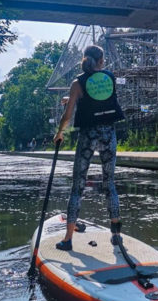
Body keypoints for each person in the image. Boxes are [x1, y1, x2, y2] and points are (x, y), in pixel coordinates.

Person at [53, 45, 126, 251]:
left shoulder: (77, 83)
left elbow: (68, 115)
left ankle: (68, 239)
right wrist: (73, 97)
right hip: (108, 134)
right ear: (101, 61)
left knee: (78, 185)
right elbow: (100, 98)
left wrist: (60, 132)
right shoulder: (109, 78)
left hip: (88, 135)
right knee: (109, 183)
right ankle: (116, 236)